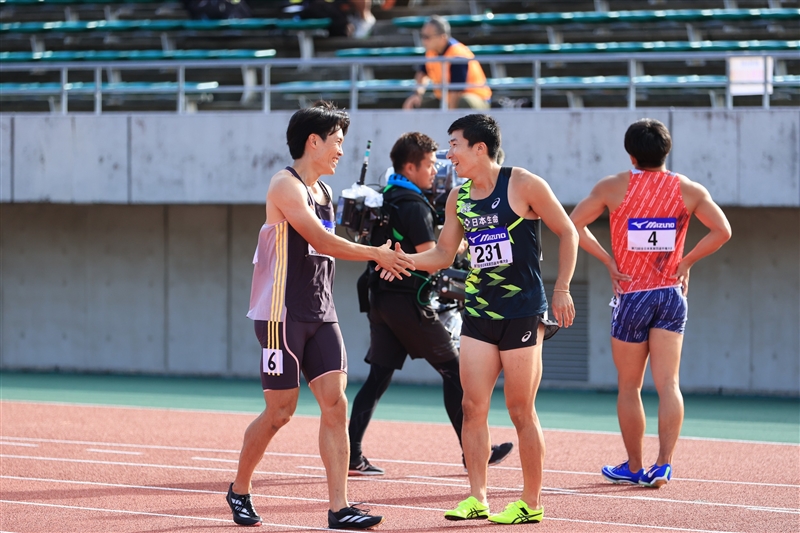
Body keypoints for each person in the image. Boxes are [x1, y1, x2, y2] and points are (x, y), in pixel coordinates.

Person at [225, 101, 414, 529]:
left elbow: (339, 238)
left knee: (335, 404)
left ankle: (339, 508)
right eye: (337, 142)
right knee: (280, 412)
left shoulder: (325, 193)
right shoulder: (284, 187)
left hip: (321, 312)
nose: (341, 153)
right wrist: (375, 254)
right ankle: (239, 489)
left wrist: (374, 222)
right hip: (281, 316)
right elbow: (321, 241)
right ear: (313, 141)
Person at [398, 114, 579, 524]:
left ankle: (530, 504)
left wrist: (563, 288)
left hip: (522, 312)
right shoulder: (457, 197)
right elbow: (444, 254)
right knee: (472, 405)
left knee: (520, 409)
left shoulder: (523, 183)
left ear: (480, 147)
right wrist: (403, 260)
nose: (449, 154)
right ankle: (476, 496)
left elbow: (568, 232)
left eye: (455, 145)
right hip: (479, 311)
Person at [569, 118, 732, 488]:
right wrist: (686, 261)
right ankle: (663, 465)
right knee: (669, 383)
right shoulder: (687, 189)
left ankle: (634, 465)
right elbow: (723, 230)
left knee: (630, 387)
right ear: (666, 151)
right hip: (671, 294)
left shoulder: (613, 187)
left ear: (630, 154)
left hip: (632, 295)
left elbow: (571, 225)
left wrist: (609, 260)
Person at [348, 132, 513, 477]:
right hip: (410, 302)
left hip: (380, 300)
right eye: (427, 165)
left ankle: (353, 455)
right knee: (455, 372)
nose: (434, 172)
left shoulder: (386, 197)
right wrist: (464, 244)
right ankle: (473, 455)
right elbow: (434, 255)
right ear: (410, 167)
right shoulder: (413, 204)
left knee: (378, 377)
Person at [402, 16, 491, 110]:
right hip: (446, 98)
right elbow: (422, 73)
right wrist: (416, 94)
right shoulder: (431, 52)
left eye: (427, 37)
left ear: (442, 37)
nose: (423, 41)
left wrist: (450, 118)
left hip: (477, 99)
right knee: (419, 106)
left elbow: (456, 91)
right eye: (422, 36)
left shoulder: (458, 54)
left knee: (463, 102)